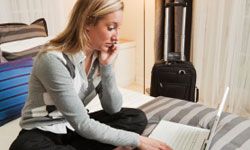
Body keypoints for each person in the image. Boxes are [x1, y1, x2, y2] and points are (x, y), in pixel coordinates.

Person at [10, 0, 172, 150]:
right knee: (23, 147)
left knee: (135, 117)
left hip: (73, 127)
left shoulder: (98, 56)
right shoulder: (52, 59)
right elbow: (82, 123)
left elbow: (113, 108)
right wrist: (137, 140)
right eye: (110, 28)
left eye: (118, 28)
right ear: (87, 22)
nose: (116, 36)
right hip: (43, 131)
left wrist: (107, 67)